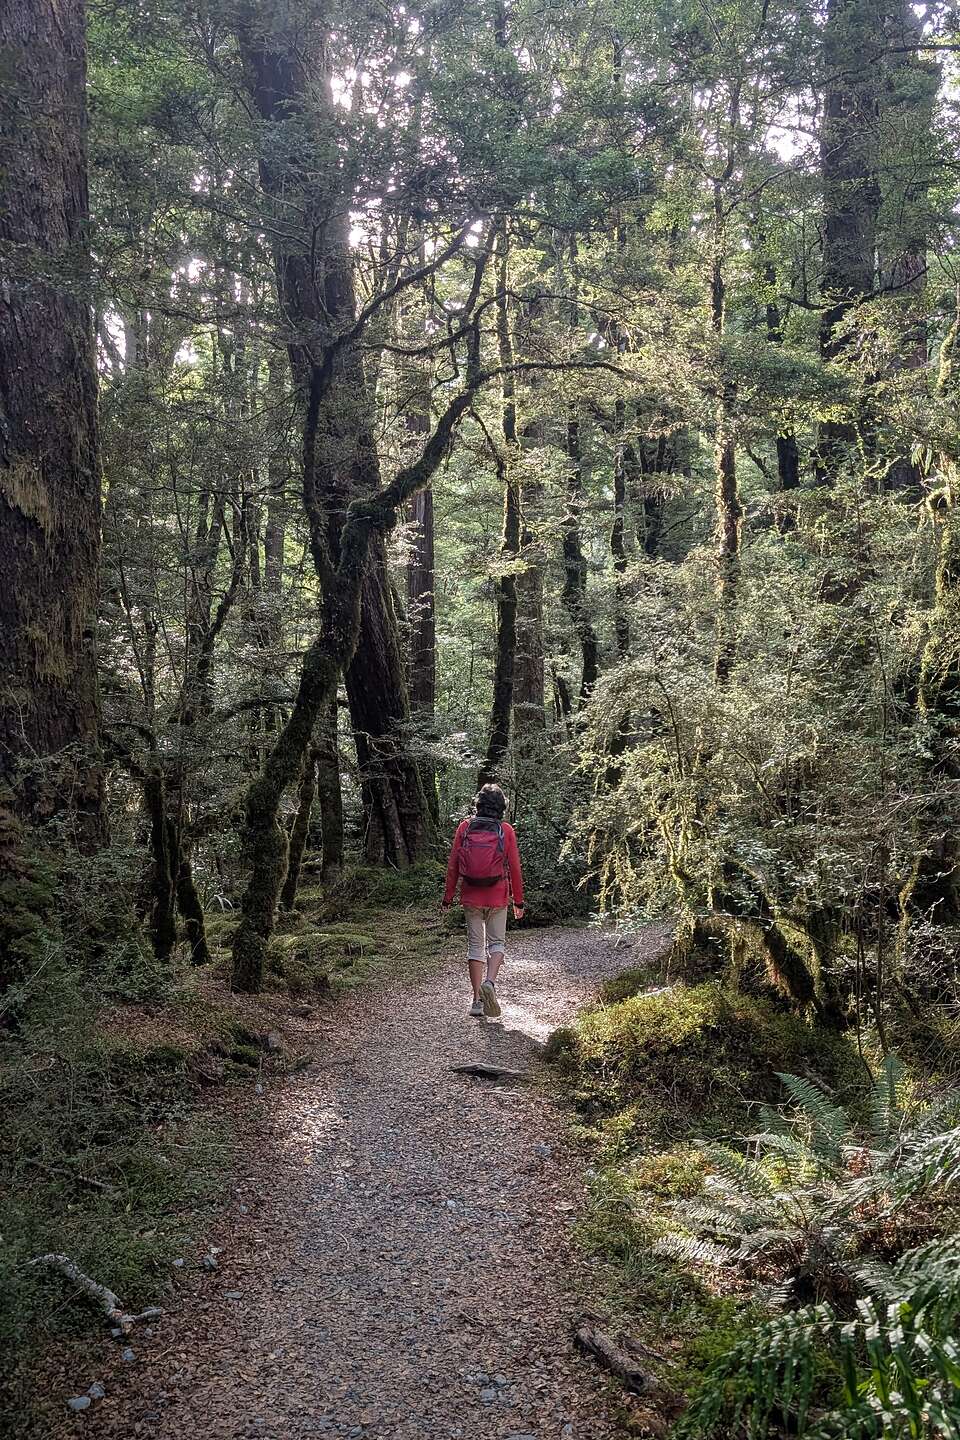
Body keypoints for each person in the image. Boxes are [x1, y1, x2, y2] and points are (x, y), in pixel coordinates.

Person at [441, 783, 525, 1019]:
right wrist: (518, 901)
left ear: (477, 805)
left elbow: (453, 865)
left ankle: (477, 1001)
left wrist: (448, 897)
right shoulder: (505, 830)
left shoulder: (465, 827)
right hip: (498, 895)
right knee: (497, 943)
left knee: (475, 946)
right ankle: (490, 982)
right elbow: (515, 868)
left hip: (471, 894)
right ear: (501, 807)